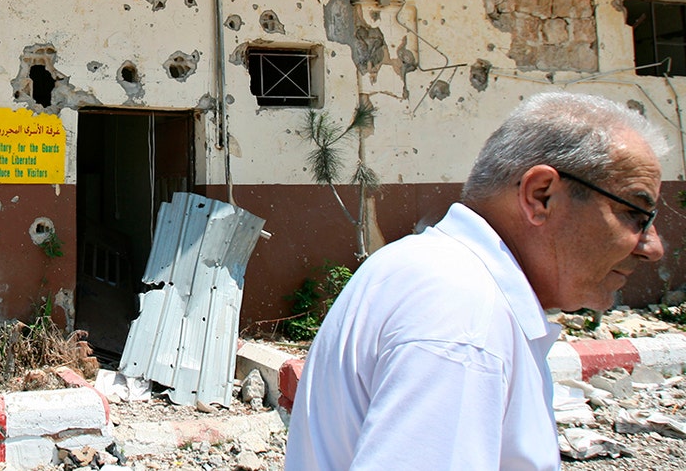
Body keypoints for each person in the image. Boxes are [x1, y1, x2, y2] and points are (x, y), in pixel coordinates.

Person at [283, 92, 668, 470]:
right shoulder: (465, 317)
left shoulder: (433, 271)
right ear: (541, 196)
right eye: (636, 213)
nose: (653, 247)